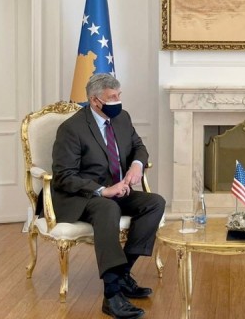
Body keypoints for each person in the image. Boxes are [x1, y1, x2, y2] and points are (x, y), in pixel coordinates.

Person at [51, 73, 165, 319]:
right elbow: (63, 176)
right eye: (112, 97)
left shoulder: (122, 118)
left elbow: (139, 147)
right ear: (95, 100)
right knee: (108, 207)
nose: (118, 101)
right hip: (83, 195)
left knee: (155, 203)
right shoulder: (71, 129)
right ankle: (111, 295)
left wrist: (136, 165)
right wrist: (103, 191)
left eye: (119, 95)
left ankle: (122, 274)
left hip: (118, 189)